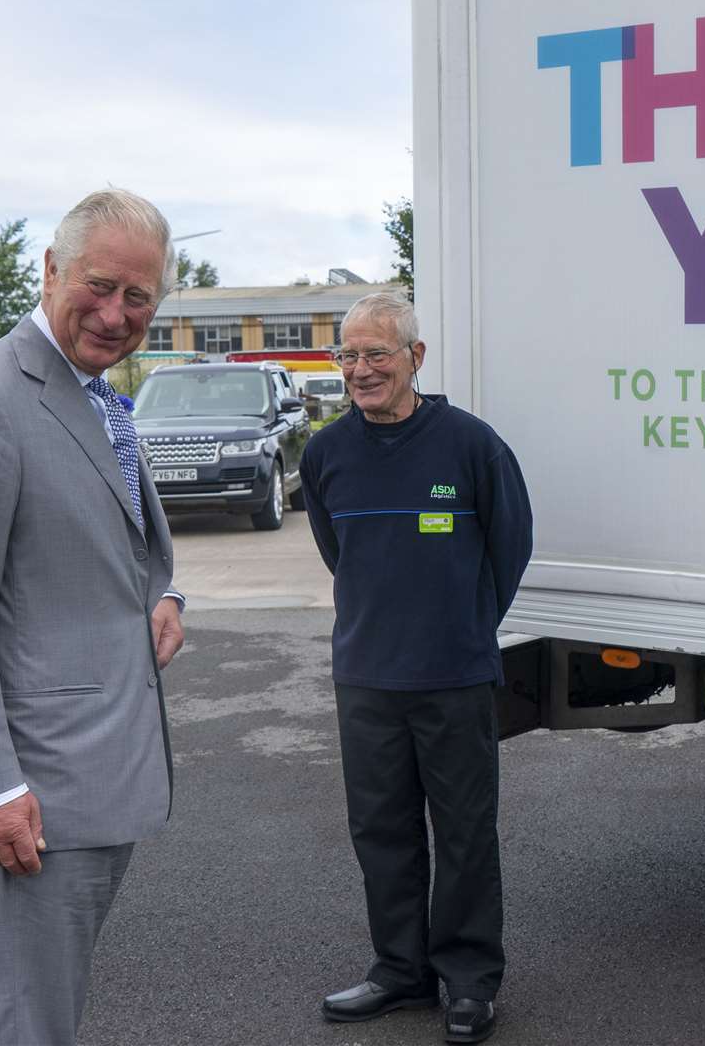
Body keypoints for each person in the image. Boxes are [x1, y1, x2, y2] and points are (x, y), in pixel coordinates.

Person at [0, 189, 186, 1046]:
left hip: (93, 778)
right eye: (99, 285)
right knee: (25, 1025)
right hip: (30, 796)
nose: (116, 312)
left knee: (45, 1017)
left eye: (139, 297)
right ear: (51, 268)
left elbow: (114, 542)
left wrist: (164, 595)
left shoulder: (93, 394)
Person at [300, 292, 533, 1045]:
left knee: (465, 833)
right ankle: (401, 970)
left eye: (377, 354)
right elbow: (341, 556)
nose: (361, 370)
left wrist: (462, 626)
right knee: (381, 829)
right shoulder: (327, 453)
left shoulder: (471, 445)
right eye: (349, 355)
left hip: (454, 677)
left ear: (415, 358)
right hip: (366, 677)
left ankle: (467, 980)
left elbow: (510, 547)